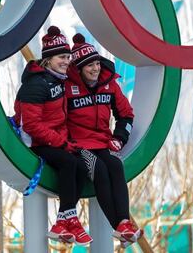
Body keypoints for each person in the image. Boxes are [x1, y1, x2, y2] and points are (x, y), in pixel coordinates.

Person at [13, 26, 91, 245]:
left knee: (83, 164)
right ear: (48, 59)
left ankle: (63, 222)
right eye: (61, 57)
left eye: (68, 57)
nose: (66, 61)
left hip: (55, 138)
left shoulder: (58, 79)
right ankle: (69, 220)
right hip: (35, 142)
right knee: (68, 162)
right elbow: (31, 125)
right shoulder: (36, 84)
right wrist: (62, 143)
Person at [66, 33, 143, 246]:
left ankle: (124, 224)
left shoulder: (109, 85)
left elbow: (126, 114)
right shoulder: (67, 88)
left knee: (116, 165)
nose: (95, 69)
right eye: (89, 65)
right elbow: (55, 117)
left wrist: (120, 137)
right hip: (78, 146)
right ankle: (119, 227)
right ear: (79, 68)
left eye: (97, 63)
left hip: (102, 142)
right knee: (98, 169)